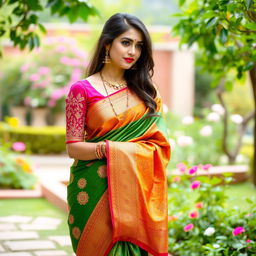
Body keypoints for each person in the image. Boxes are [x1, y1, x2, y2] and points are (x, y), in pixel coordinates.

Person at [65, 13, 171, 256]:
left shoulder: (147, 92)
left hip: (136, 192)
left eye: (139, 45)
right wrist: (113, 149)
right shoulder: (81, 90)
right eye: (126, 42)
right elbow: (73, 147)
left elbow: (160, 145)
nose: (132, 51)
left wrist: (117, 151)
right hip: (92, 188)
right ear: (107, 44)